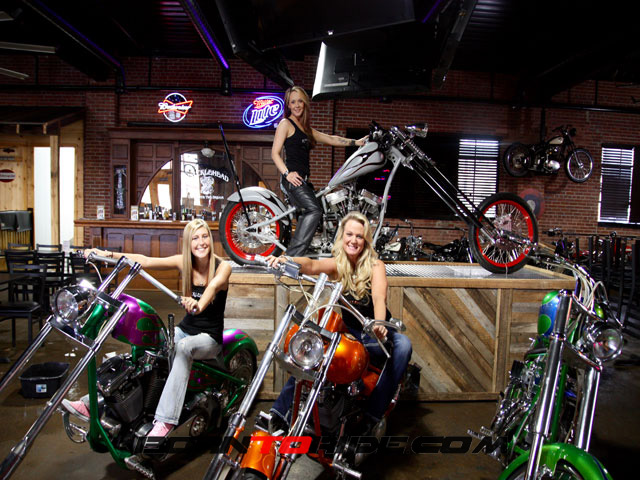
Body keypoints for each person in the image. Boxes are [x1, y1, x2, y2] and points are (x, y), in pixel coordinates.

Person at [62, 219, 232, 438]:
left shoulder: (223, 266)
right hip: (185, 328)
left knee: (183, 347)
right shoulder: (184, 262)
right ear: (188, 243)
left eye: (205, 236)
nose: (201, 243)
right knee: (147, 349)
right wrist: (105, 254)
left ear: (211, 238)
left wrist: (198, 305)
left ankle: (165, 421)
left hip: (209, 337)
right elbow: (145, 260)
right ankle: (92, 403)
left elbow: (213, 286)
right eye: (195, 238)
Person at [266, 212, 412, 433]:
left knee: (403, 345)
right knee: (313, 347)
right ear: (342, 236)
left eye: (359, 236)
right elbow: (312, 265)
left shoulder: (375, 266)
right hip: (351, 333)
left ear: (366, 240)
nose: (353, 240)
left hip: (375, 333)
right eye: (349, 234)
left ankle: (372, 416)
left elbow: (379, 298)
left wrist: (379, 324)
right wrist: (287, 260)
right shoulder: (338, 264)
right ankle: (278, 413)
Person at [271, 85, 367, 256]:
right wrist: (287, 173)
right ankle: (292, 257)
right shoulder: (285, 124)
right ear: (288, 105)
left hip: (304, 181)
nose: (297, 105)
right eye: (293, 102)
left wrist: (356, 142)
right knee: (314, 210)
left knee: (319, 209)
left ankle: (308, 251)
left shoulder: (306, 129)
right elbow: (274, 153)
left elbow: (330, 138)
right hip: (292, 179)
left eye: (300, 101)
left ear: (305, 103)